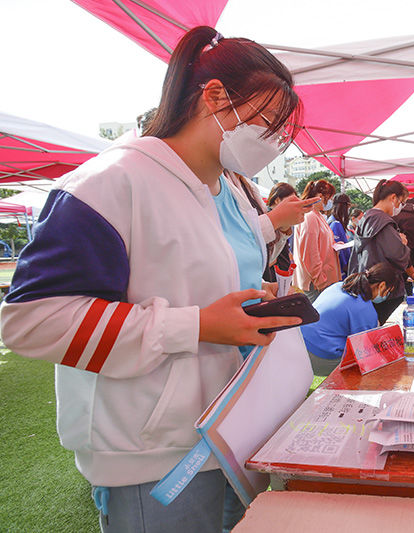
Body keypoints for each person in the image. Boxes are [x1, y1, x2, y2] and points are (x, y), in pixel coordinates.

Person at [0, 26, 305, 533]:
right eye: (268, 123)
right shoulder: (109, 184)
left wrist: (254, 302)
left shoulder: (223, 192)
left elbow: (202, 283)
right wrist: (197, 325)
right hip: (152, 454)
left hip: (228, 434)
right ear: (214, 98)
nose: (273, 143)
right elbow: (31, 320)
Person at [300, 262, 399, 376]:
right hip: (320, 356)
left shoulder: (339, 286)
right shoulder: (364, 310)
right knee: (365, 363)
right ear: (382, 285)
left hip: (301, 343)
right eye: (388, 291)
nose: (386, 295)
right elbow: (364, 354)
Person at [348, 179, 411, 324]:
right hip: (385, 289)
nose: (400, 207)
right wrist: (403, 243)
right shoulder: (384, 222)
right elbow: (399, 256)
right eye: (402, 202)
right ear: (393, 198)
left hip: (367, 286)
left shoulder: (365, 218)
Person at [293, 179, 340, 302]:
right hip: (315, 283)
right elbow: (309, 252)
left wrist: (335, 246)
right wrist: (319, 279)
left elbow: (320, 243)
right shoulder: (310, 217)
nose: (330, 202)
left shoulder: (317, 215)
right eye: (329, 198)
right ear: (320, 196)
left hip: (320, 279)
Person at [263, 182, 301, 283]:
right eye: (290, 201)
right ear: (277, 200)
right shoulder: (265, 219)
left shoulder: (285, 221)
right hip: (268, 279)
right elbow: (268, 258)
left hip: (280, 277)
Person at [327, 192, 352, 279]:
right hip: (341, 269)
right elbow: (339, 250)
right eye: (348, 206)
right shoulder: (335, 224)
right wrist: (346, 266)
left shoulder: (334, 221)